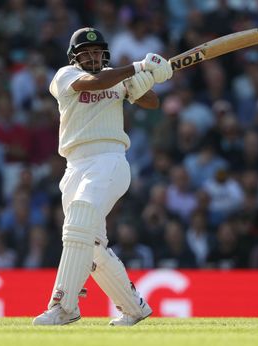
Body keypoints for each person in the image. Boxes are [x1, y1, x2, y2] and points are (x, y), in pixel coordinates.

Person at [32, 27, 172, 326]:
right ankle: (134, 309)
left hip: (109, 160)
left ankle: (65, 306)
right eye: (87, 52)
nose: (94, 57)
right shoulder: (65, 76)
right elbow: (92, 83)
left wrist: (150, 77)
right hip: (75, 165)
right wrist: (138, 68)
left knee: (81, 218)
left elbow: (151, 102)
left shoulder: (116, 76)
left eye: (97, 52)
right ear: (75, 57)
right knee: (91, 245)